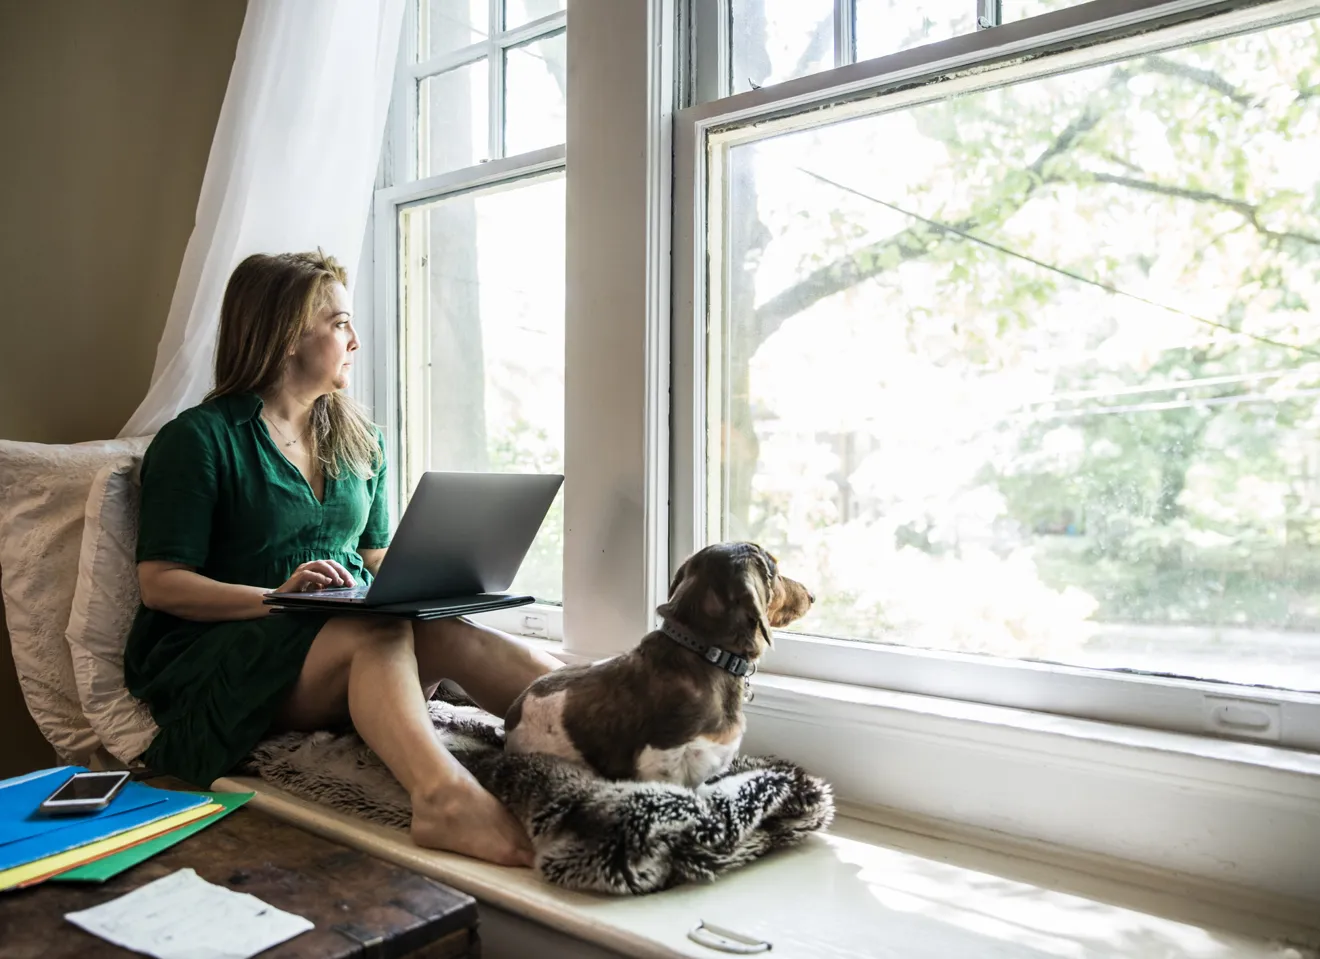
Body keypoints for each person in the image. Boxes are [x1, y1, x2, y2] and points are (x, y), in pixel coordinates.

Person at [123, 250, 560, 867]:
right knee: (375, 631)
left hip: (341, 627)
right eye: (340, 323)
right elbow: (160, 585)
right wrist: (279, 597)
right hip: (228, 650)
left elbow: (374, 553)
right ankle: (442, 798)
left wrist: (436, 582)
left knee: (451, 633)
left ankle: (617, 724)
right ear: (284, 334)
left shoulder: (360, 438)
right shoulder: (198, 440)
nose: (354, 340)